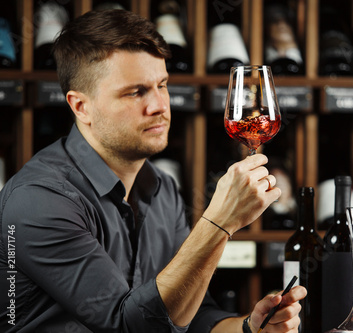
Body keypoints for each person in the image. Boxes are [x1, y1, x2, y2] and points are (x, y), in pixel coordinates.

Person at [0, 9, 306, 333]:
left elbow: (189, 312)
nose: (159, 105)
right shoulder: (39, 200)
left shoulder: (162, 188)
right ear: (81, 106)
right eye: (135, 92)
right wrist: (220, 222)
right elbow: (127, 326)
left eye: (162, 85)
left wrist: (249, 328)